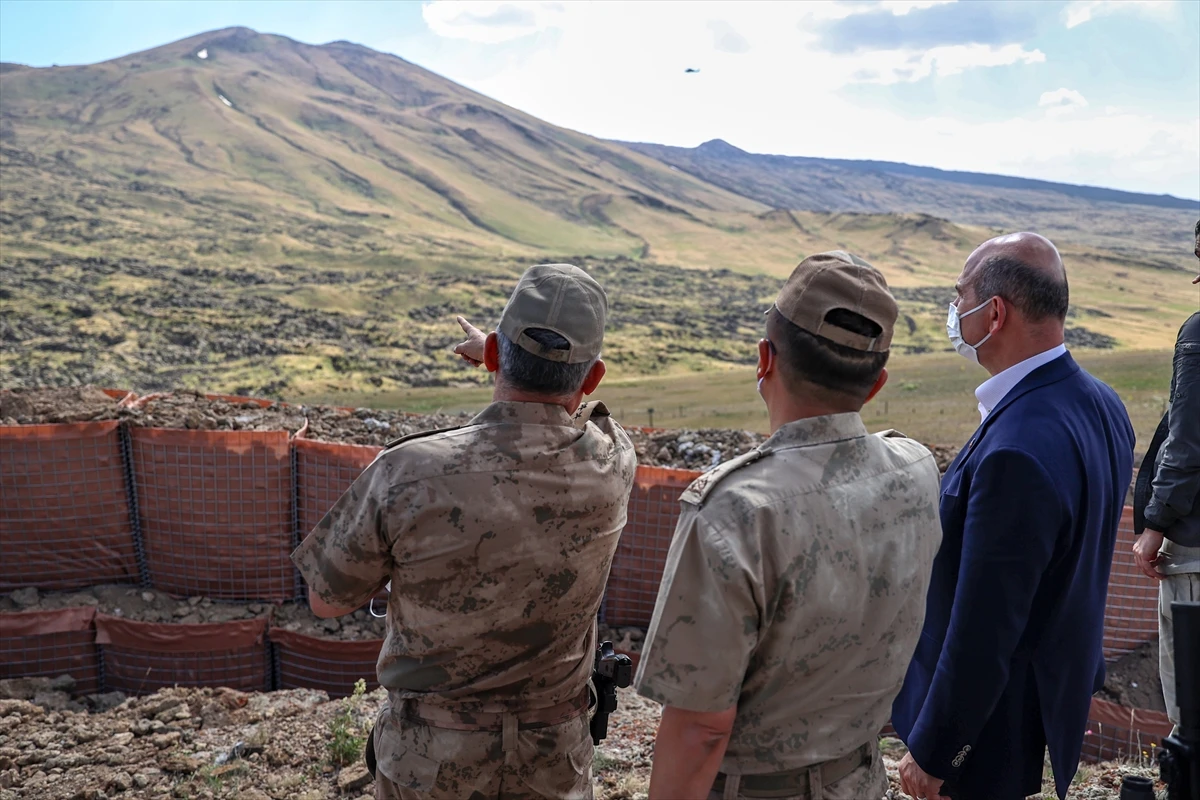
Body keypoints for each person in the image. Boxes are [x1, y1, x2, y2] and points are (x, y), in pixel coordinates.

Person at [291, 263, 637, 799]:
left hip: (429, 762)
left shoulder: (408, 471)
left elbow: (327, 600)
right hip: (555, 760)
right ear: (592, 379)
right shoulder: (613, 460)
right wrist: (509, 362)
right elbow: (569, 415)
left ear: (496, 354)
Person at [633, 251, 944, 800]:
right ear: (876, 385)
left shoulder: (736, 510)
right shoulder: (917, 470)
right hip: (860, 779)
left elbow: (701, 728)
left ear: (764, 360)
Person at [891, 233, 1136, 800]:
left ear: (994, 312)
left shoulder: (1015, 450)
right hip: (1043, 696)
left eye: (960, 297)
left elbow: (986, 624)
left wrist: (935, 749)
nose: (954, 313)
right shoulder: (1101, 403)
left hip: (987, 732)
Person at [1131, 219, 1200, 737]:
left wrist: (1156, 522)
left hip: (1195, 549)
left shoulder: (1199, 332)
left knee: (1191, 711)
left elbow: (1188, 438)